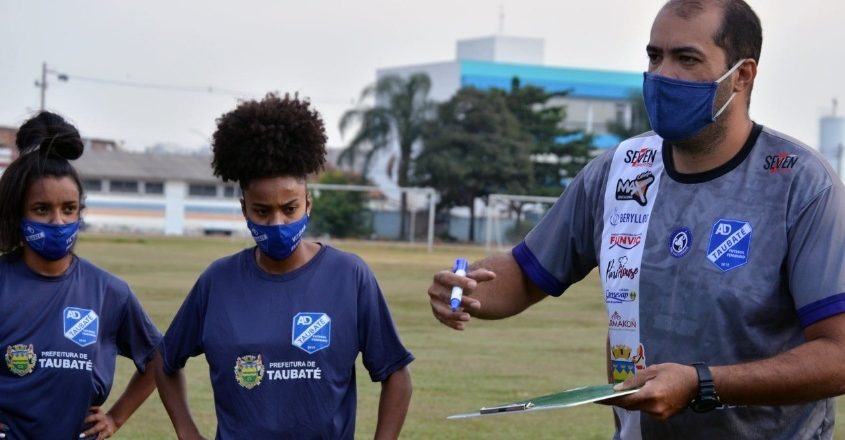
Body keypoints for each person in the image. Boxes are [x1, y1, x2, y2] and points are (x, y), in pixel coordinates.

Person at [429, 0, 845, 438]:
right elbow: (528, 273)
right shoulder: (620, 170)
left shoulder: (800, 183)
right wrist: (468, 287)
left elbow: (838, 355)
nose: (663, 75)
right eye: (654, 56)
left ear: (742, 75)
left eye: (686, 59)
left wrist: (701, 384)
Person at [154, 93, 414, 439]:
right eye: (262, 211)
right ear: (244, 208)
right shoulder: (217, 281)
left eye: (289, 209)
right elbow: (164, 360)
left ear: (308, 203)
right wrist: (188, 433)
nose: (277, 223)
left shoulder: (349, 276)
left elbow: (396, 375)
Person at [0, 112, 162, 439]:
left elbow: (159, 359)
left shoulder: (109, 291)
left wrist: (115, 418)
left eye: (69, 209)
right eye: (42, 209)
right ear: (18, 213)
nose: (58, 222)